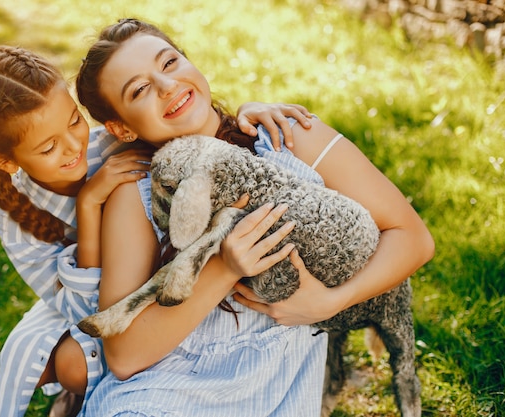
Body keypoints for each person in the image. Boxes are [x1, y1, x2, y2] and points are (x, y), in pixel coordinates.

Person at [75, 18, 435, 416]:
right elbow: (124, 357)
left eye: (170, 63)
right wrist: (224, 269)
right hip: (167, 389)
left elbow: (413, 237)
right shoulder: (138, 193)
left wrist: (330, 302)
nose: (167, 87)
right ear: (121, 128)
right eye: (140, 90)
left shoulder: (286, 138)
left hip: (277, 387)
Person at [0, 45, 315, 417]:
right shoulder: (13, 219)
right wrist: (89, 206)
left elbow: (191, 128)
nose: (74, 146)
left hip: (154, 278)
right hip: (89, 308)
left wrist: (246, 112)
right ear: (6, 161)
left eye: (74, 122)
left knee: (83, 363)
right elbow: (88, 311)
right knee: (61, 365)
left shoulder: (112, 143)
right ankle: (82, 395)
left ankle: (90, 391)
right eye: (48, 148)